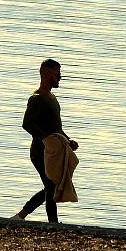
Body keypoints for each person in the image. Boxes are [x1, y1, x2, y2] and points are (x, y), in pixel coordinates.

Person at [12, 59, 79, 222]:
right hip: (39, 153)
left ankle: (20, 216)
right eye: (57, 74)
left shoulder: (52, 98)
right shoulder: (37, 98)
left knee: (51, 186)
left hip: (53, 153)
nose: (60, 77)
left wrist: (68, 140)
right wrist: (46, 139)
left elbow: (56, 127)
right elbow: (27, 124)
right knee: (51, 186)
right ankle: (53, 224)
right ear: (47, 74)